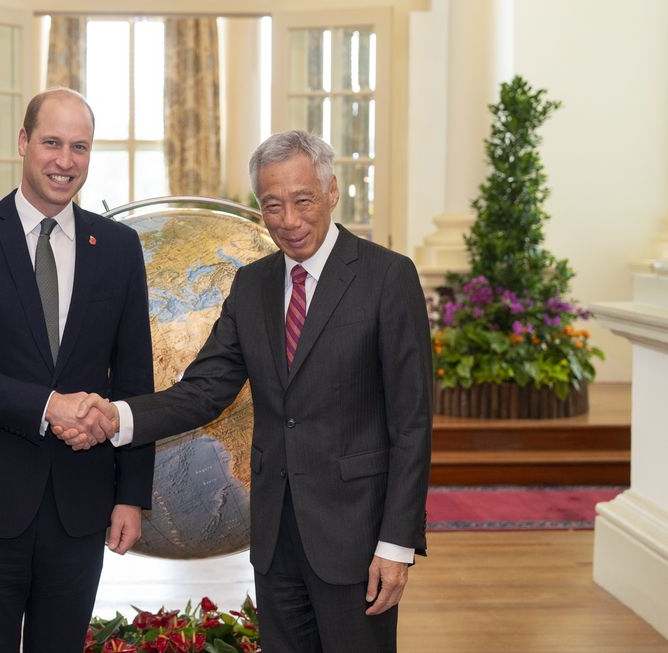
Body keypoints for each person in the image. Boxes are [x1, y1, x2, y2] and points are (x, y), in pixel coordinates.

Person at [59, 130, 432, 652]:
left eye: (302, 200)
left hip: (356, 537)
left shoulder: (387, 277)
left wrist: (396, 545)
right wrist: (114, 416)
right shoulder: (251, 284)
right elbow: (204, 391)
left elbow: (411, 424)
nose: (289, 219)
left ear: (332, 192)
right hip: (275, 536)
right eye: (272, 205)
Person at [0, 88, 155, 652]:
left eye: (79, 147)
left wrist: (130, 496)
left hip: (80, 502)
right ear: (23, 142)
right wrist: (49, 406)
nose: (65, 161)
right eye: (51, 142)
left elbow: (134, 379)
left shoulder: (119, 248)